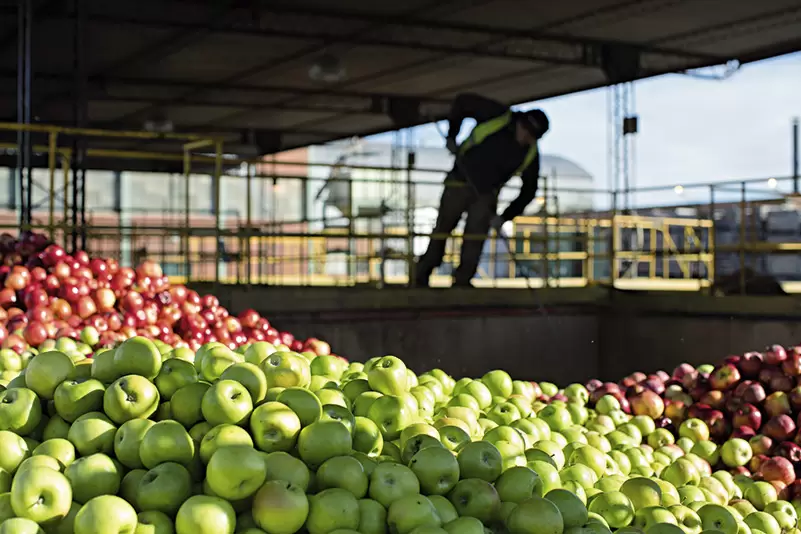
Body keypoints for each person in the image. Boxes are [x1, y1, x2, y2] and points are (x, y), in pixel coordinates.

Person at [414, 93, 550, 288]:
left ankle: (462, 280)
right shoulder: (497, 116)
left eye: (531, 137)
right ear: (520, 122)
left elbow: (529, 191)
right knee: (443, 228)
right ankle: (422, 273)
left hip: (486, 195)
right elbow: (463, 102)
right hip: (459, 181)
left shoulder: (531, 154)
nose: (525, 138)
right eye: (525, 132)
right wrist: (453, 135)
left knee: (475, 237)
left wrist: (504, 217)